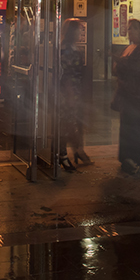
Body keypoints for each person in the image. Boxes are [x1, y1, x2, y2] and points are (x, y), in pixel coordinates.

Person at [114, 18, 140, 175]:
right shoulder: (128, 48)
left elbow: (136, 69)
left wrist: (120, 63)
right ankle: (125, 157)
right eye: (128, 28)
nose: (129, 31)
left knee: (135, 126)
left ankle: (134, 159)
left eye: (132, 28)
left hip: (139, 95)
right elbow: (118, 69)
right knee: (126, 125)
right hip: (127, 92)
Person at [57, 18, 91, 171]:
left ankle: (77, 150)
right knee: (67, 123)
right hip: (68, 92)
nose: (81, 33)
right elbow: (66, 74)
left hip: (76, 91)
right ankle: (63, 155)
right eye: (79, 30)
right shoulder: (66, 49)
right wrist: (70, 93)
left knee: (75, 122)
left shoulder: (71, 47)